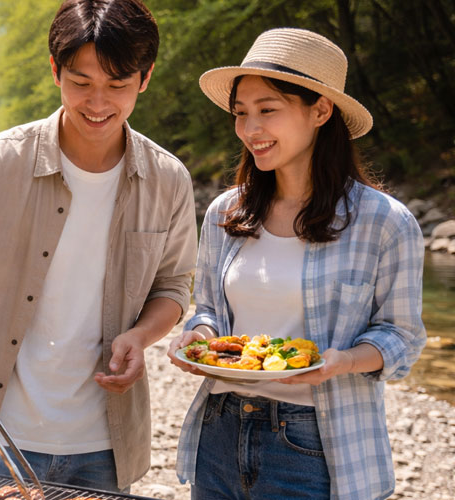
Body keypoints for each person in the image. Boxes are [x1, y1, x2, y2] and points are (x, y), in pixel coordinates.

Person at [0, 0, 197, 491]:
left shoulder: (167, 179)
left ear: (145, 77)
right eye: (82, 82)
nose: (98, 103)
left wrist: (141, 337)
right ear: (55, 71)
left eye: (117, 85)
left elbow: (174, 285)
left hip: (105, 444)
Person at [166, 28, 426, 500]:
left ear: (320, 110)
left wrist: (343, 361)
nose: (250, 130)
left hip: (313, 444)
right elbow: (207, 310)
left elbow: (402, 336)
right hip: (220, 429)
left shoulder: (384, 222)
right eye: (241, 114)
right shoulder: (226, 212)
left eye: (268, 110)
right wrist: (199, 339)